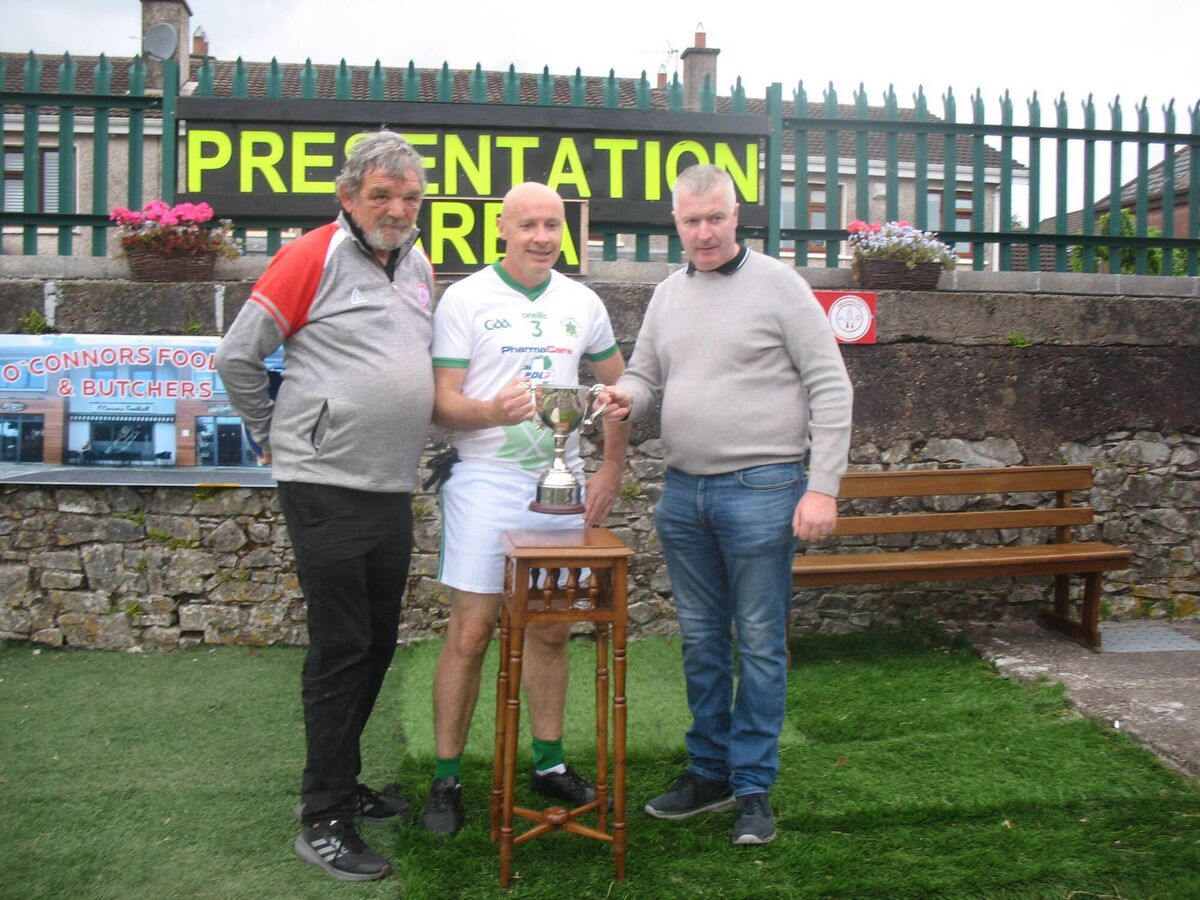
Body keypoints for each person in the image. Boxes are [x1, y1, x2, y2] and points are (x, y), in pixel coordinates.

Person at [598, 165, 853, 846]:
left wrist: (823, 484)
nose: (703, 232)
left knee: (761, 644)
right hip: (684, 493)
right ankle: (709, 773)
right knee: (703, 644)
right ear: (675, 223)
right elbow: (646, 373)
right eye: (690, 220)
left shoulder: (780, 286)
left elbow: (832, 385)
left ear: (736, 215)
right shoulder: (667, 295)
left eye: (715, 217)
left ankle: (753, 789)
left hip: (765, 489)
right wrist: (626, 396)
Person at [215, 131, 433, 882]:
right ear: (348, 198)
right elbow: (237, 357)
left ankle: (344, 784)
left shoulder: (417, 265)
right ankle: (323, 817)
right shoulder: (312, 254)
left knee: (373, 644)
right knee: (341, 649)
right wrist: (267, 431)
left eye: (408, 198)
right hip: (325, 484)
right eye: (381, 195)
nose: (397, 209)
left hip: (388, 486)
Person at [424, 181, 629, 835]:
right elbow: (440, 401)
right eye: (529, 224)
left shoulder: (582, 301)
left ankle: (547, 763)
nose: (543, 236)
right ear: (503, 231)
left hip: (556, 486)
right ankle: (447, 778)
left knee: (548, 628)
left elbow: (620, 385)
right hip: (485, 481)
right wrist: (489, 411)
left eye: (554, 224)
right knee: (472, 631)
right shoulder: (465, 298)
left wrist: (611, 466)